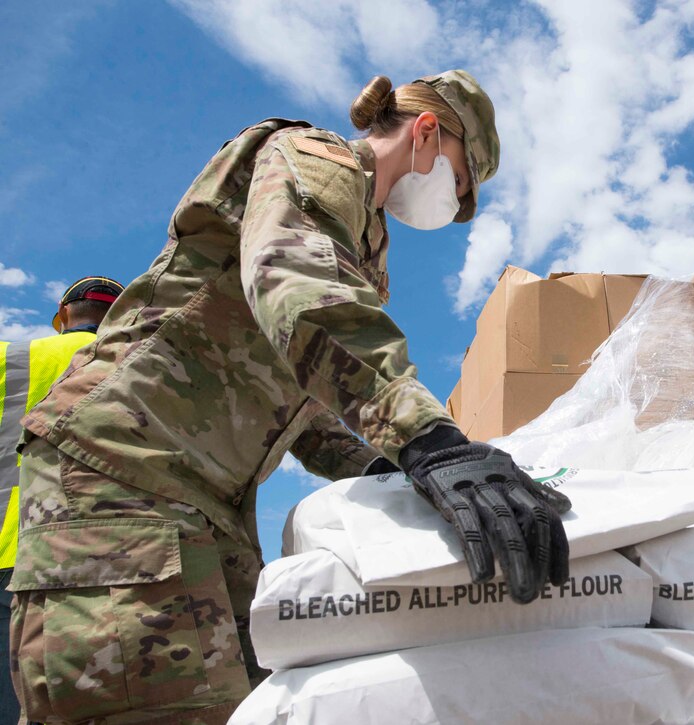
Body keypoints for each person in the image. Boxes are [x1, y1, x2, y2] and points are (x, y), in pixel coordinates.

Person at [10, 70, 570, 723]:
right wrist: (429, 439)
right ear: (425, 134)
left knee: (253, 703)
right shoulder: (315, 157)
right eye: (461, 179)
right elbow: (291, 278)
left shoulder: (363, 243)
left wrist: (385, 470)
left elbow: (306, 404)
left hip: (204, 502)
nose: (454, 201)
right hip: (127, 476)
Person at [0, 276, 124, 723]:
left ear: (62, 313)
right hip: (109, 564)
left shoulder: (9, 358)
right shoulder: (143, 365)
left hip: (9, 553)